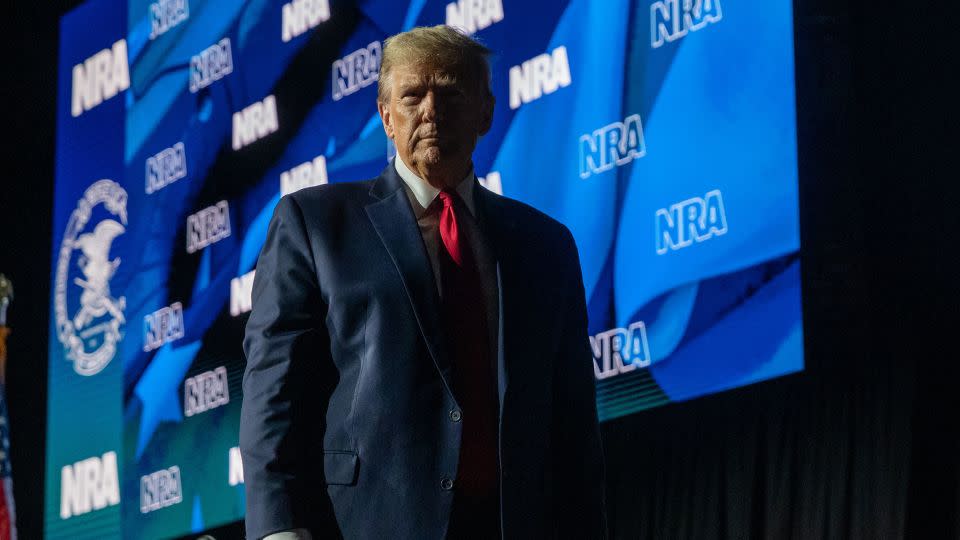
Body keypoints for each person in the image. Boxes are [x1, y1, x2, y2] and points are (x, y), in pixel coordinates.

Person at [240, 25, 607, 540]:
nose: (430, 110)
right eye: (412, 95)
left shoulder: (545, 246)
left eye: (451, 92)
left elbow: (573, 427)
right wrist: (279, 529)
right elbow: (273, 395)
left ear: (486, 111)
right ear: (387, 117)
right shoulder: (315, 224)